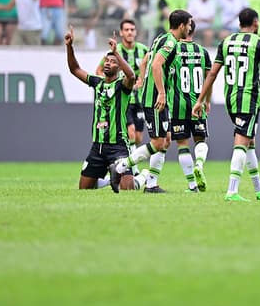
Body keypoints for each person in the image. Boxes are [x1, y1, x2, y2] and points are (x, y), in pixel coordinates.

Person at [192, 8, 260, 202]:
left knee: (250, 141)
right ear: (256, 23)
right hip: (248, 99)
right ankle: (232, 190)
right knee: (242, 143)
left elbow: (212, 73)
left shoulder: (226, 42)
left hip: (231, 99)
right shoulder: (259, 42)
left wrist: (200, 100)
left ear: (239, 24)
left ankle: (259, 188)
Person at [109, 10, 193, 194]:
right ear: (181, 26)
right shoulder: (170, 42)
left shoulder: (161, 39)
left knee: (166, 140)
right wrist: (161, 93)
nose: (190, 28)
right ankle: (120, 167)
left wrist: (143, 80)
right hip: (155, 99)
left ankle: (152, 184)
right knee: (157, 143)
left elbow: (146, 61)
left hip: (158, 98)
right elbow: (155, 64)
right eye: (189, 24)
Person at [65, 26, 142, 191]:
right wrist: (69, 47)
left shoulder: (122, 85)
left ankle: (141, 178)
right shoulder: (97, 82)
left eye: (113, 62)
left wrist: (117, 53)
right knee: (84, 189)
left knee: (128, 189)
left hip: (118, 146)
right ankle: (107, 179)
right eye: (107, 61)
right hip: (97, 147)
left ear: (118, 68)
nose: (108, 63)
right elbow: (74, 69)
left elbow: (132, 76)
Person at [145, 20, 212, 192]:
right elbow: (209, 79)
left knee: (182, 144)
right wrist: (207, 100)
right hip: (198, 102)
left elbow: (153, 63)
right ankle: (199, 164)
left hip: (177, 104)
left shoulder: (174, 49)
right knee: (200, 140)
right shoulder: (203, 52)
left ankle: (192, 185)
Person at [96, 19, 149, 171]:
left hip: (139, 100)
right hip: (123, 100)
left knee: (138, 137)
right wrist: (110, 86)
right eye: (126, 30)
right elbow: (99, 71)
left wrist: (143, 80)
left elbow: (153, 68)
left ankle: (122, 163)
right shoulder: (114, 51)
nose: (130, 32)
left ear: (136, 32)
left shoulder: (143, 50)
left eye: (132, 29)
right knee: (131, 133)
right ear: (121, 33)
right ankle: (133, 169)